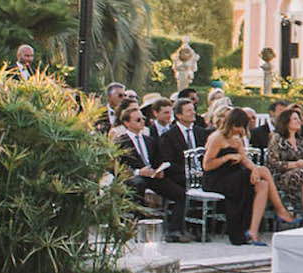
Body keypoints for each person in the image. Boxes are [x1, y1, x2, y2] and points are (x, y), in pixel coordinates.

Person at [201, 107, 286, 244]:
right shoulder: (216, 138)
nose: (240, 130)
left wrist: (254, 170)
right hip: (215, 179)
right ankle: (280, 209)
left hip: (233, 176)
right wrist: (227, 157)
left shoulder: (237, 139)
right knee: (262, 171)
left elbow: (245, 159)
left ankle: (253, 231)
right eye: (238, 126)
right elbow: (207, 165)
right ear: (232, 124)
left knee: (262, 183)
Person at [118, 101, 187, 238]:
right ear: (127, 123)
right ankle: (138, 225)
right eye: (137, 120)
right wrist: (138, 172)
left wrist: (160, 170)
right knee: (139, 184)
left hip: (151, 176)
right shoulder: (121, 142)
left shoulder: (149, 140)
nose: (141, 122)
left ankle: (174, 230)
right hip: (133, 177)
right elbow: (118, 166)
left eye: (142, 119)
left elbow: (157, 159)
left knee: (180, 193)